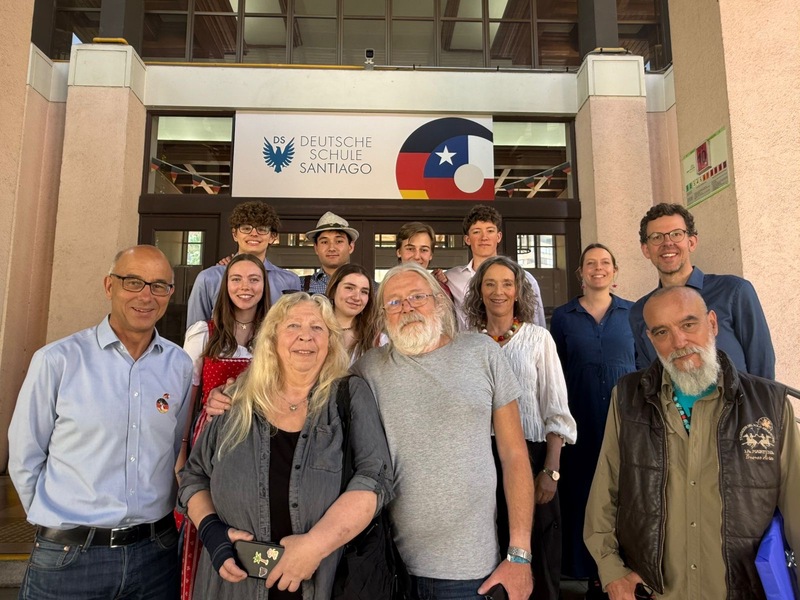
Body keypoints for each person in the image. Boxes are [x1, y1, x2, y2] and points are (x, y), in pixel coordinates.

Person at [585, 286, 800, 600]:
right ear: (650, 339)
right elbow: (605, 493)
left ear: (712, 323)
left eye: (688, 324)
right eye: (662, 332)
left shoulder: (769, 404)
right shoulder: (628, 398)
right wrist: (611, 571)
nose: (679, 342)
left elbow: (796, 505)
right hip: (655, 592)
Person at [177, 293, 393, 600]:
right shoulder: (236, 398)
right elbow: (195, 476)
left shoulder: (349, 395)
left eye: (317, 327)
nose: (306, 335)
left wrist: (315, 545)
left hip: (323, 583)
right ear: (272, 338)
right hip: (233, 585)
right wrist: (212, 531)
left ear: (331, 341)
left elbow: (375, 478)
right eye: (293, 326)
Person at [8, 245, 193, 599]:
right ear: (110, 286)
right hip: (71, 558)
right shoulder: (57, 361)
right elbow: (24, 455)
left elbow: (172, 449)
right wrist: (56, 521)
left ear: (170, 293)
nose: (146, 296)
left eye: (159, 286)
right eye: (133, 282)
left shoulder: (179, 365)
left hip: (156, 555)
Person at [352, 263, 535, 600]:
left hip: (471, 573)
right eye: (394, 302)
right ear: (383, 315)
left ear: (438, 301)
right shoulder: (368, 369)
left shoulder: (482, 352)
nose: (407, 307)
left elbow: (514, 455)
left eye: (417, 297)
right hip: (391, 568)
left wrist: (520, 555)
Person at [464, 255, 577, 600]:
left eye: (506, 284)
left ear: (518, 291)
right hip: (480, 459)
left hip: (532, 457)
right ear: (479, 291)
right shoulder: (465, 343)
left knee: (537, 553)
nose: (498, 291)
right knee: (489, 550)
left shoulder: (539, 339)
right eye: (490, 284)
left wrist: (551, 470)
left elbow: (555, 408)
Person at [179, 253, 270, 600]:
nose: (245, 287)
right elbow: (186, 402)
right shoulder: (204, 332)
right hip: (210, 443)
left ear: (264, 286)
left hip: (259, 441)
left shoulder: (274, 335)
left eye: (254, 279)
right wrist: (181, 459)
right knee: (209, 519)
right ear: (225, 285)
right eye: (236, 279)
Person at [549, 244, 636, 598]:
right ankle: (588, 575)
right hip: (580, 422)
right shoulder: (563, 317)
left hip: (625, 423)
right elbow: (555, 372)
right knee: (584, 497)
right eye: (590, 263)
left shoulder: (633, 313)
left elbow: (645, 368)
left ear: (615, 271)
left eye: (605, 263)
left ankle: (624, 573)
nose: (598, 268)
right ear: (580, 273)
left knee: (624, 497)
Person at [629, 202, 774, 378]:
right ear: (646, 249)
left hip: (738, 397)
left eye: (676, 234)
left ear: (691, 242)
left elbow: (761, 364)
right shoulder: (640, 311)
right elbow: (650, 377)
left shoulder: (734, 292)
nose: (667, 243)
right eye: (656, 237)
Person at [186, 200, 300, 326]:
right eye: (246, 228)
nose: (254, 234)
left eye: (262, 229)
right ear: (235, 234)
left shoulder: (289, 281)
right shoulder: (209, 278)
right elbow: (194, 330)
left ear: (272, 237)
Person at [446, 204, 546, 330]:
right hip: (469, 342)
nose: (484, 237)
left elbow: (536, 323)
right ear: (467, 239)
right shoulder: (451, 278)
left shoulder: (524, 278)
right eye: (476, 232)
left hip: (512, 341)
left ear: (498, 237)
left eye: (490, 231)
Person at [325, 263, 381, 363]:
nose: (356, 297)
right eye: (349, 288)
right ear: (333, 290)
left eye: (364, 292)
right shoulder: (314, 329)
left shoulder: (376, 337)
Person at [302, 212, 360, 294]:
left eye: (339, 241)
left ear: (351, 246)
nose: (331, 248)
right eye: (324, 242)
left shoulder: (370, 287)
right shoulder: (300, 286)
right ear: (316, 248)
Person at [395, 221, 453, 299]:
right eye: (410, 249)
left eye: (424, 250)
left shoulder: (442, 291)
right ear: (399, 252)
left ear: (431, 255)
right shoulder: (386, 288)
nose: (417, 256)